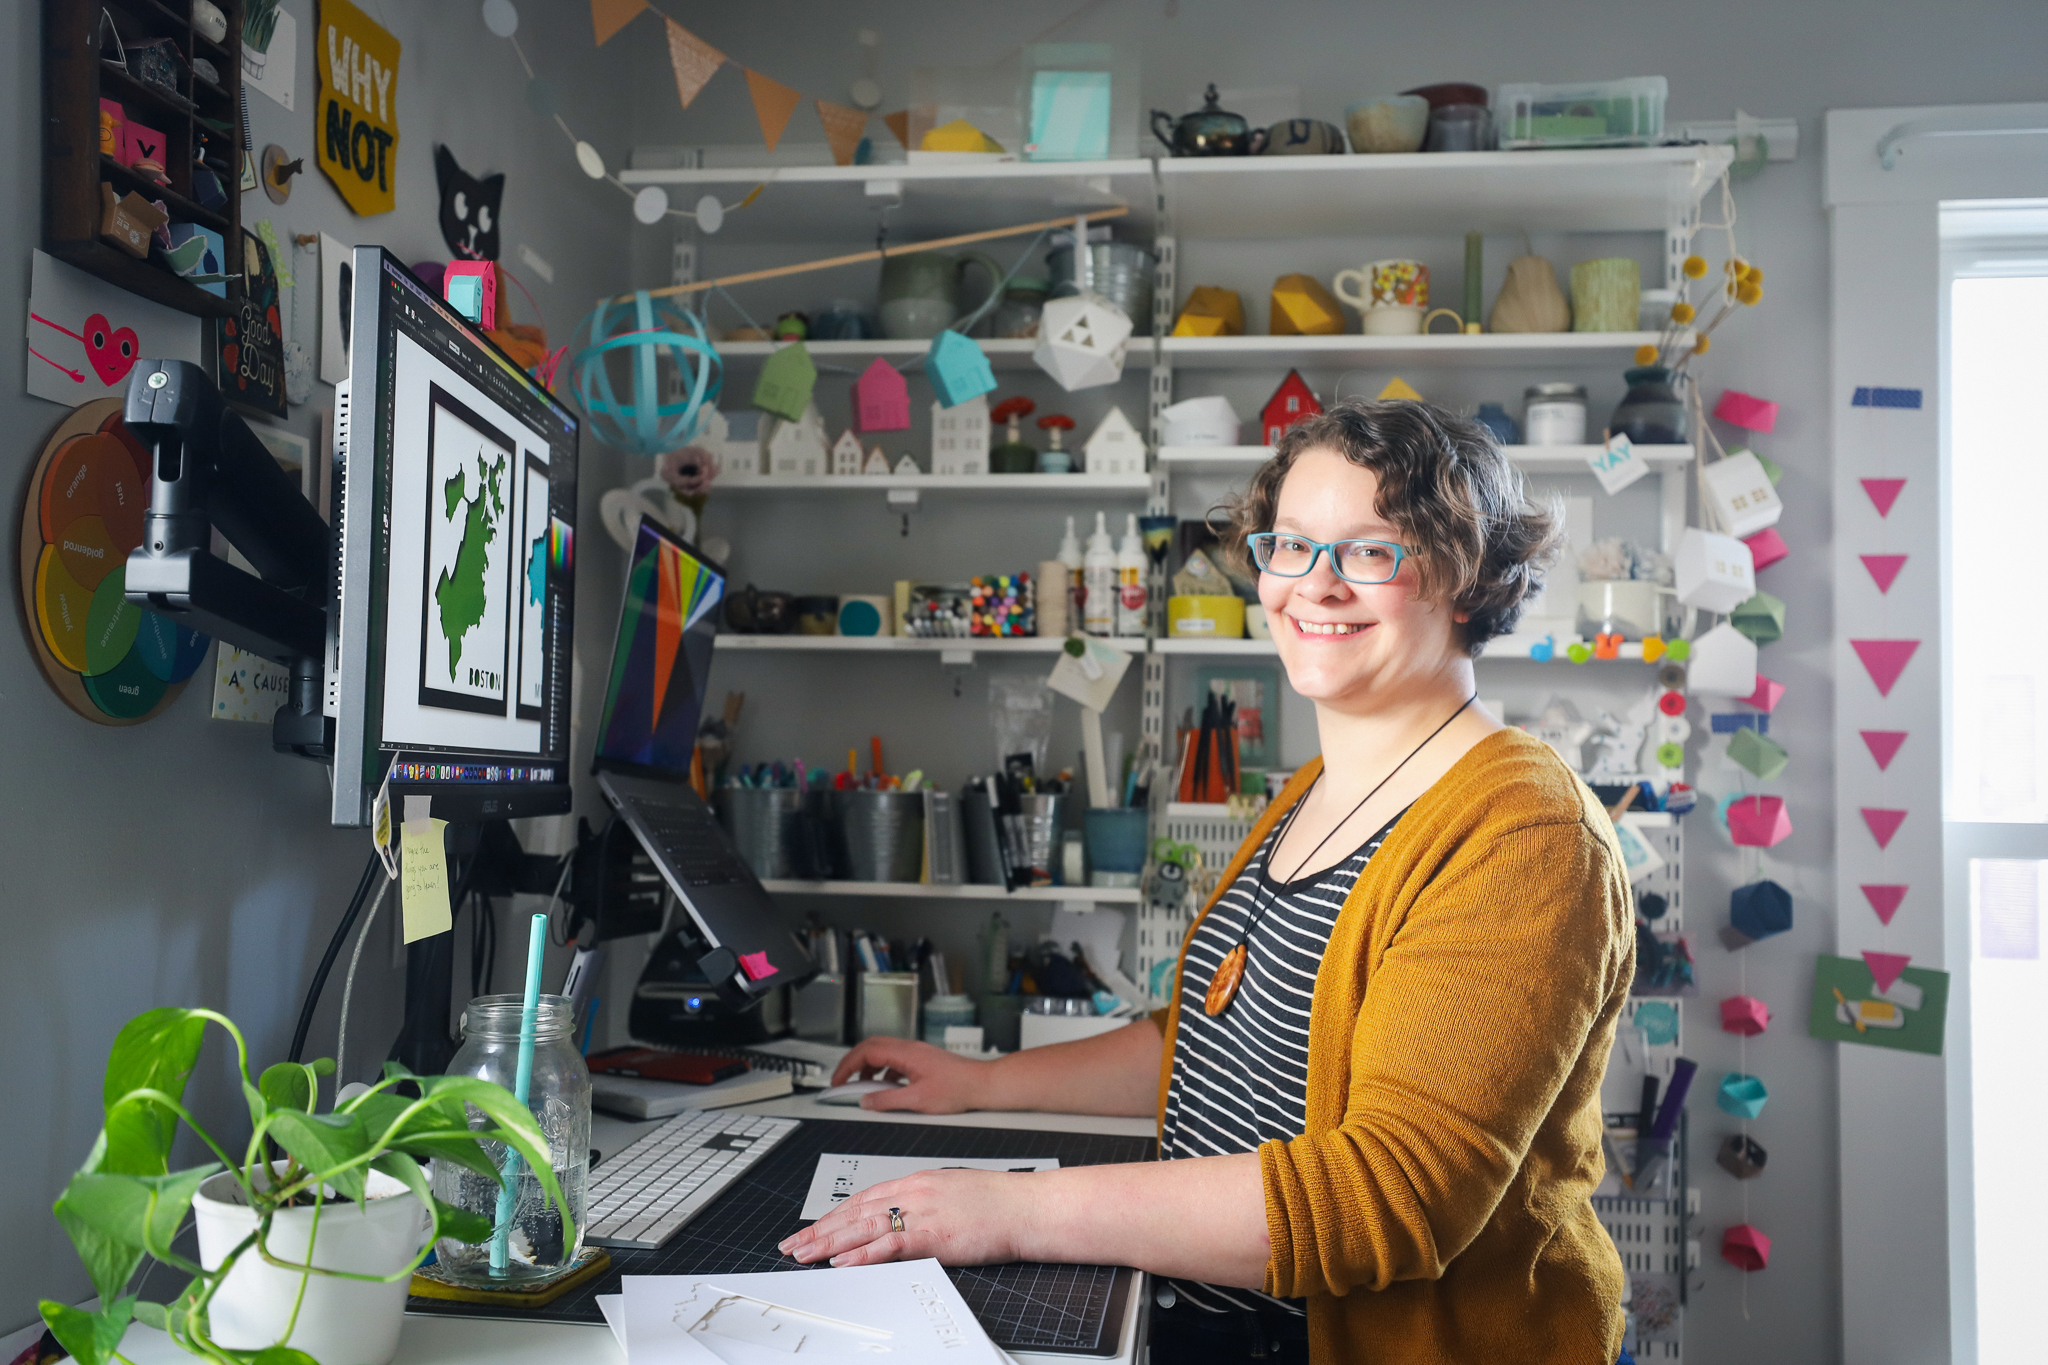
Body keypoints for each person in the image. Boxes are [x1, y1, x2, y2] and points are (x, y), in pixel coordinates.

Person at [781, 401, 1637, 1364]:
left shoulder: (1524, 832)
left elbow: (1389, 1197)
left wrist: (1008, 1210)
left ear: (1468, 579)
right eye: (1291, 545)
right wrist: (984, 1081)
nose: (1313, 586)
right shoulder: (1318, 792)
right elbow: (1211, 1039)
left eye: (1369, 552)